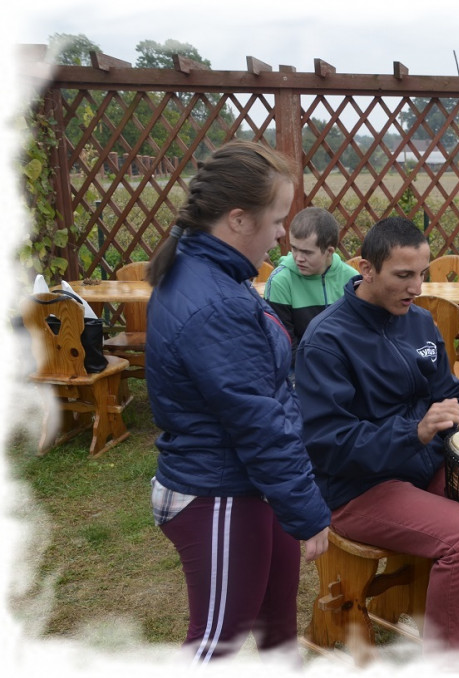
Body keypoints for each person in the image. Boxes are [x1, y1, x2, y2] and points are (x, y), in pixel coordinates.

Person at [294, 216, 459, 667]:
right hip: (356, 489)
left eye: (423, 273)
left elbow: (447, 392)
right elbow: (328, 444)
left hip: (424, 466)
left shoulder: (420, 322)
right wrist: (414, 430)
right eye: (403, 275)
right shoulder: (326, 341)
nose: (416, 286)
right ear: (366, 269)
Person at [145, 140, 330, 665]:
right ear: (236, 219)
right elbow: (257, 421)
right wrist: (308, 510)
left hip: (249, 486)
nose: (281, 235)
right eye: (276, 220)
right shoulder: (217, 303)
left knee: (277, 631)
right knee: (215, 648)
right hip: (218, 492)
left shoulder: (214, 274)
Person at [263, 206, 358, 362]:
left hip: (345, 364)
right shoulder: (281, 281)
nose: (298, 258)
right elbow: (284, 343)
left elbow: (359, 333)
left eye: (307, 252)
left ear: (329, 252)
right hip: (298, 366)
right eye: (294, 248)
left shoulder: (352, 279)